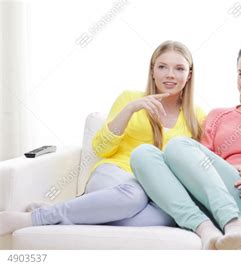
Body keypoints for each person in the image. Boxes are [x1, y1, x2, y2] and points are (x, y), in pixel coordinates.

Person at [0, 41, 205, 235]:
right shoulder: (130, 99)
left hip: (156, 190)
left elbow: (198, 166)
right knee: (133, 197)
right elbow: (100, 149)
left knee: (165, 217)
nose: (170, 75)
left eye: (179, 68)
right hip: (116, 175)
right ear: (152, 71)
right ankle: (38, 217)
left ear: (189, 75)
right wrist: (131, 109)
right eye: (162, 67)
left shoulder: (197, 116)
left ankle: (74, 209)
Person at [130, 41, 241, 249]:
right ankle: (204, 228)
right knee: (142, 154)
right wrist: (233, 168)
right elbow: (194, 166)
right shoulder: (218, 116)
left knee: (178, 145)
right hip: (205, 201)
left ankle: (235, 222)